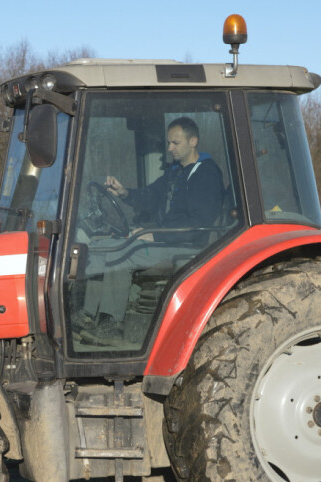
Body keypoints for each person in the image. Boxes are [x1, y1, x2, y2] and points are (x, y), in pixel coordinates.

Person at [79, 117, 224, 343]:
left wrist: (154, 234)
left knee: (124, 252)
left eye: (175, 143)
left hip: (186, 246)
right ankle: (88, 316)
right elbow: (150, 196)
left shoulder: (207, 174)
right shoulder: (176, 172)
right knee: (99, 246)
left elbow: (198, 225)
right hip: (166, 239)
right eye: (168, 142)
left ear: (193, 141)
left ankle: (111, 324)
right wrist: (124, 192)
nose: (169, 148)